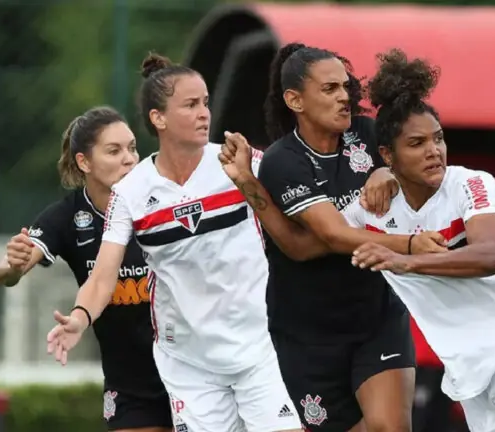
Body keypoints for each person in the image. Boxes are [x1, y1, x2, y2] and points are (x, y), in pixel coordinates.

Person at [44, 53, 306, 432]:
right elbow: (102, 277)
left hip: (259, 352)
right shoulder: (131, 193)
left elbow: (312, 195)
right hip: (190, 366)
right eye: (190, 105)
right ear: (158, 118)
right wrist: (80, 318)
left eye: (205, 103)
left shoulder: (241, 162)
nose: (204, 114)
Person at [341, 48, 495, 432]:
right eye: (417, 144)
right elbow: (312, 238)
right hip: (472, 376)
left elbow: (487, 255)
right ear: (388, 155)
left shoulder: (470, 183)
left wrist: (407, 261)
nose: (434, 151)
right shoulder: (367, 212)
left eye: (438, 139)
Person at [218, 43, 449, 432]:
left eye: (345, 86)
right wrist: (409, 247)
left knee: (390, 427)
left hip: (376, 318)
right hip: (308, 333)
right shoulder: (283, 161)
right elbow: (328, 236)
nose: (344, 96)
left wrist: (388, 173)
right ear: (295, 100)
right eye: (329, 89)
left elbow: (414, 173)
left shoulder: (367, 133)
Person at [0, 106, 173, 432]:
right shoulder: (68, 217)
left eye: (132, 148)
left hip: (189, 368)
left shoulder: (166, 200)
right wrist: (15, 265)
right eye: (114, 151)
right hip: (130, 382)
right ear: (84, 162)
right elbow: (4, 270)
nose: (129, 158)